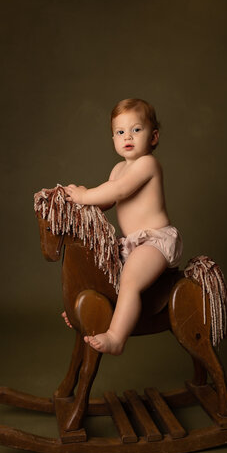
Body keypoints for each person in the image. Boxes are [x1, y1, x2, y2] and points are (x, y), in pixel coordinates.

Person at [62, 98, 182, 355]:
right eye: (120, 131)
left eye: (136, 129)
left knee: (129, 280)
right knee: (97, 269)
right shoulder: (118, 169)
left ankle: (117, 337)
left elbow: (119, 190)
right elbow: (107, 199)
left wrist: (84, 195)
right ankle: (81, 310)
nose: (128, 136)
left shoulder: (148, 164)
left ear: (153, 136)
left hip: (154, 241)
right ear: (114, 138)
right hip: (131, 243)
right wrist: (77, 206)